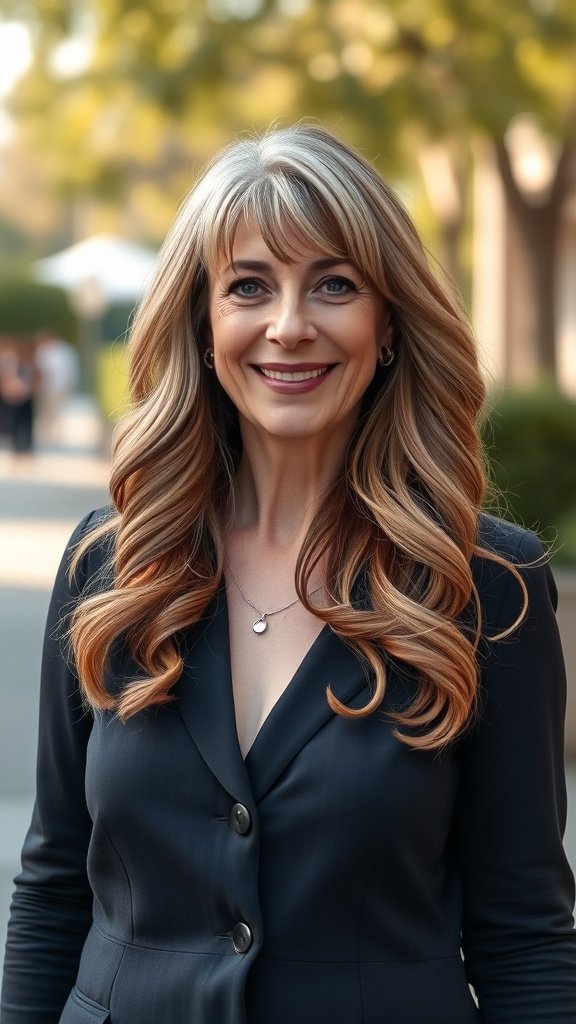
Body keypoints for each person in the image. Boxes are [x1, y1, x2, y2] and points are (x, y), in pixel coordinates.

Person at [1, 124, 575, 1024]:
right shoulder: (109, 568)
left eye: (335, 285)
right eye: (249, 286)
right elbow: (51, 890)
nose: (290, 324)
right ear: (203, 322)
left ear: (388, 325)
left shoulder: (489, 589)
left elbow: (525, 935)